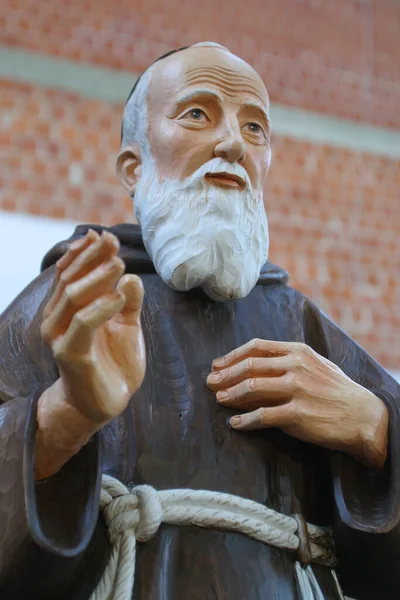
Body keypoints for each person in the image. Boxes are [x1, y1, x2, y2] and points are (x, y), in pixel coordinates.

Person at [0, 41, 399, 600]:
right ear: (133, 167)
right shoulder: (70, 303)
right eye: (197, 114)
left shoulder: (298, 321)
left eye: (256, 128)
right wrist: (67, 415)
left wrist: (373, 428)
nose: (233, 143)